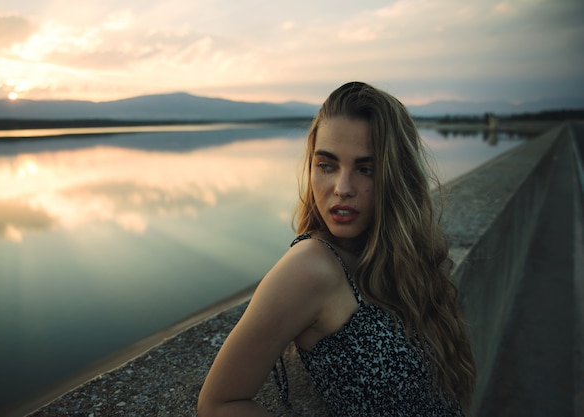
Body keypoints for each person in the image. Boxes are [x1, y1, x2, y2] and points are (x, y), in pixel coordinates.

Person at [197, 81, 476, 417]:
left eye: (365, 169)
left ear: (396, 176)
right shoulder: (310, 267)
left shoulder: (407, 257)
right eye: (327, 166)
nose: (342, 188)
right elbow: (218, 404)